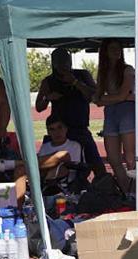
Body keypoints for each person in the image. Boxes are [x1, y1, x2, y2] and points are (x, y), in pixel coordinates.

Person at [35, 48, 103, 177]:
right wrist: (48, 98)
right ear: (53, 63)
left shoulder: (82, 75)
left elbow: (94, 96)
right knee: (51, 164)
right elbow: (39, 107)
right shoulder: (49, 81)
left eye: (66, 61)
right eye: (59, 62)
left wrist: (75, 82)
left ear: (70, 61)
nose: (63, 65)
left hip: (80, 128)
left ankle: (100, 188)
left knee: (95, 164)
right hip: (59, 129)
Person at [94, 39, 137, 193]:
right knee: (113, 158)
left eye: (118, 48)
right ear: (105, 52)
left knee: (130, 157)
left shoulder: (127, 70)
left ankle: (134, 192)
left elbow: (122, 95)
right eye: (112, 48)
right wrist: (106, 98)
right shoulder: (103, 72)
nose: (116, 51)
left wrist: (105, 99)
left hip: (127, 111)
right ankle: (127, 190)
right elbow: (97, 98)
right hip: (111, 113)